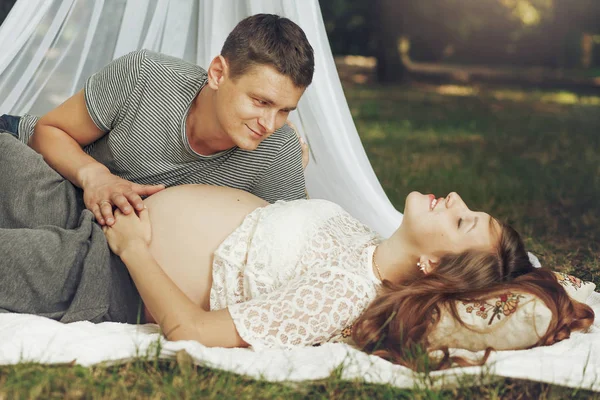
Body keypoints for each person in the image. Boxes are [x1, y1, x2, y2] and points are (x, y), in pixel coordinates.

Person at [0, 134, 593, 370]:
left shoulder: (341, 297)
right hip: (94, 208)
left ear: (433, 265)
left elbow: (191, 330)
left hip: (101, 270)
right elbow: (526, 277)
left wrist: (131, 250)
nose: (455, 197)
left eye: (461, 220)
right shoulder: (364, 244)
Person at [1, 13, 314, 227]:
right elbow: (48, 130)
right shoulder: (145, 75)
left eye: (285, 110)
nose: (270, 123)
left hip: (88, 218)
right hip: (36, 155)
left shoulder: (277, 150)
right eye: (261, 101)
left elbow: (295, 240)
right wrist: (95, 176)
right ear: (218, 73)